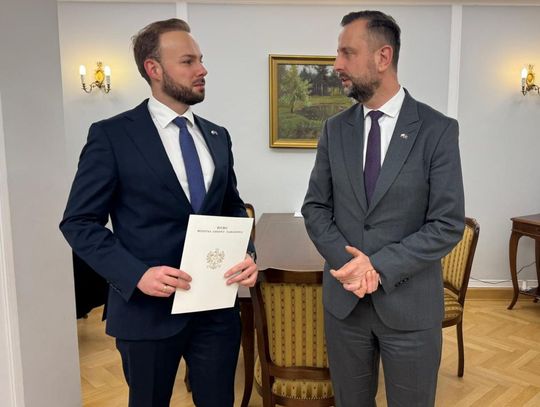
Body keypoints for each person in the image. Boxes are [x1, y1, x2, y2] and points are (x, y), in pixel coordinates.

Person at [60, 18, 257, 407]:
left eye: (200, 59)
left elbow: (231, 206)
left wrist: (247, 252)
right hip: (146, 313)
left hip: (215, 311)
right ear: (153, 68)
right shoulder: (112, 135)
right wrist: (137, 275)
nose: (202, 69)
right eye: (188, 61)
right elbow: (79, 222)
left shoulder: (218, 135)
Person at [302, 10, 464, 407]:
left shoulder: (437, 130)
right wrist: (353, 266)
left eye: (347, 53)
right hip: (345, 306)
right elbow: (315, 207)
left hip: (410, 309)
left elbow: (446, 223)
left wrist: (378, 266)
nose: (337, 64)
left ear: (383, 57)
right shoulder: (335, 130)